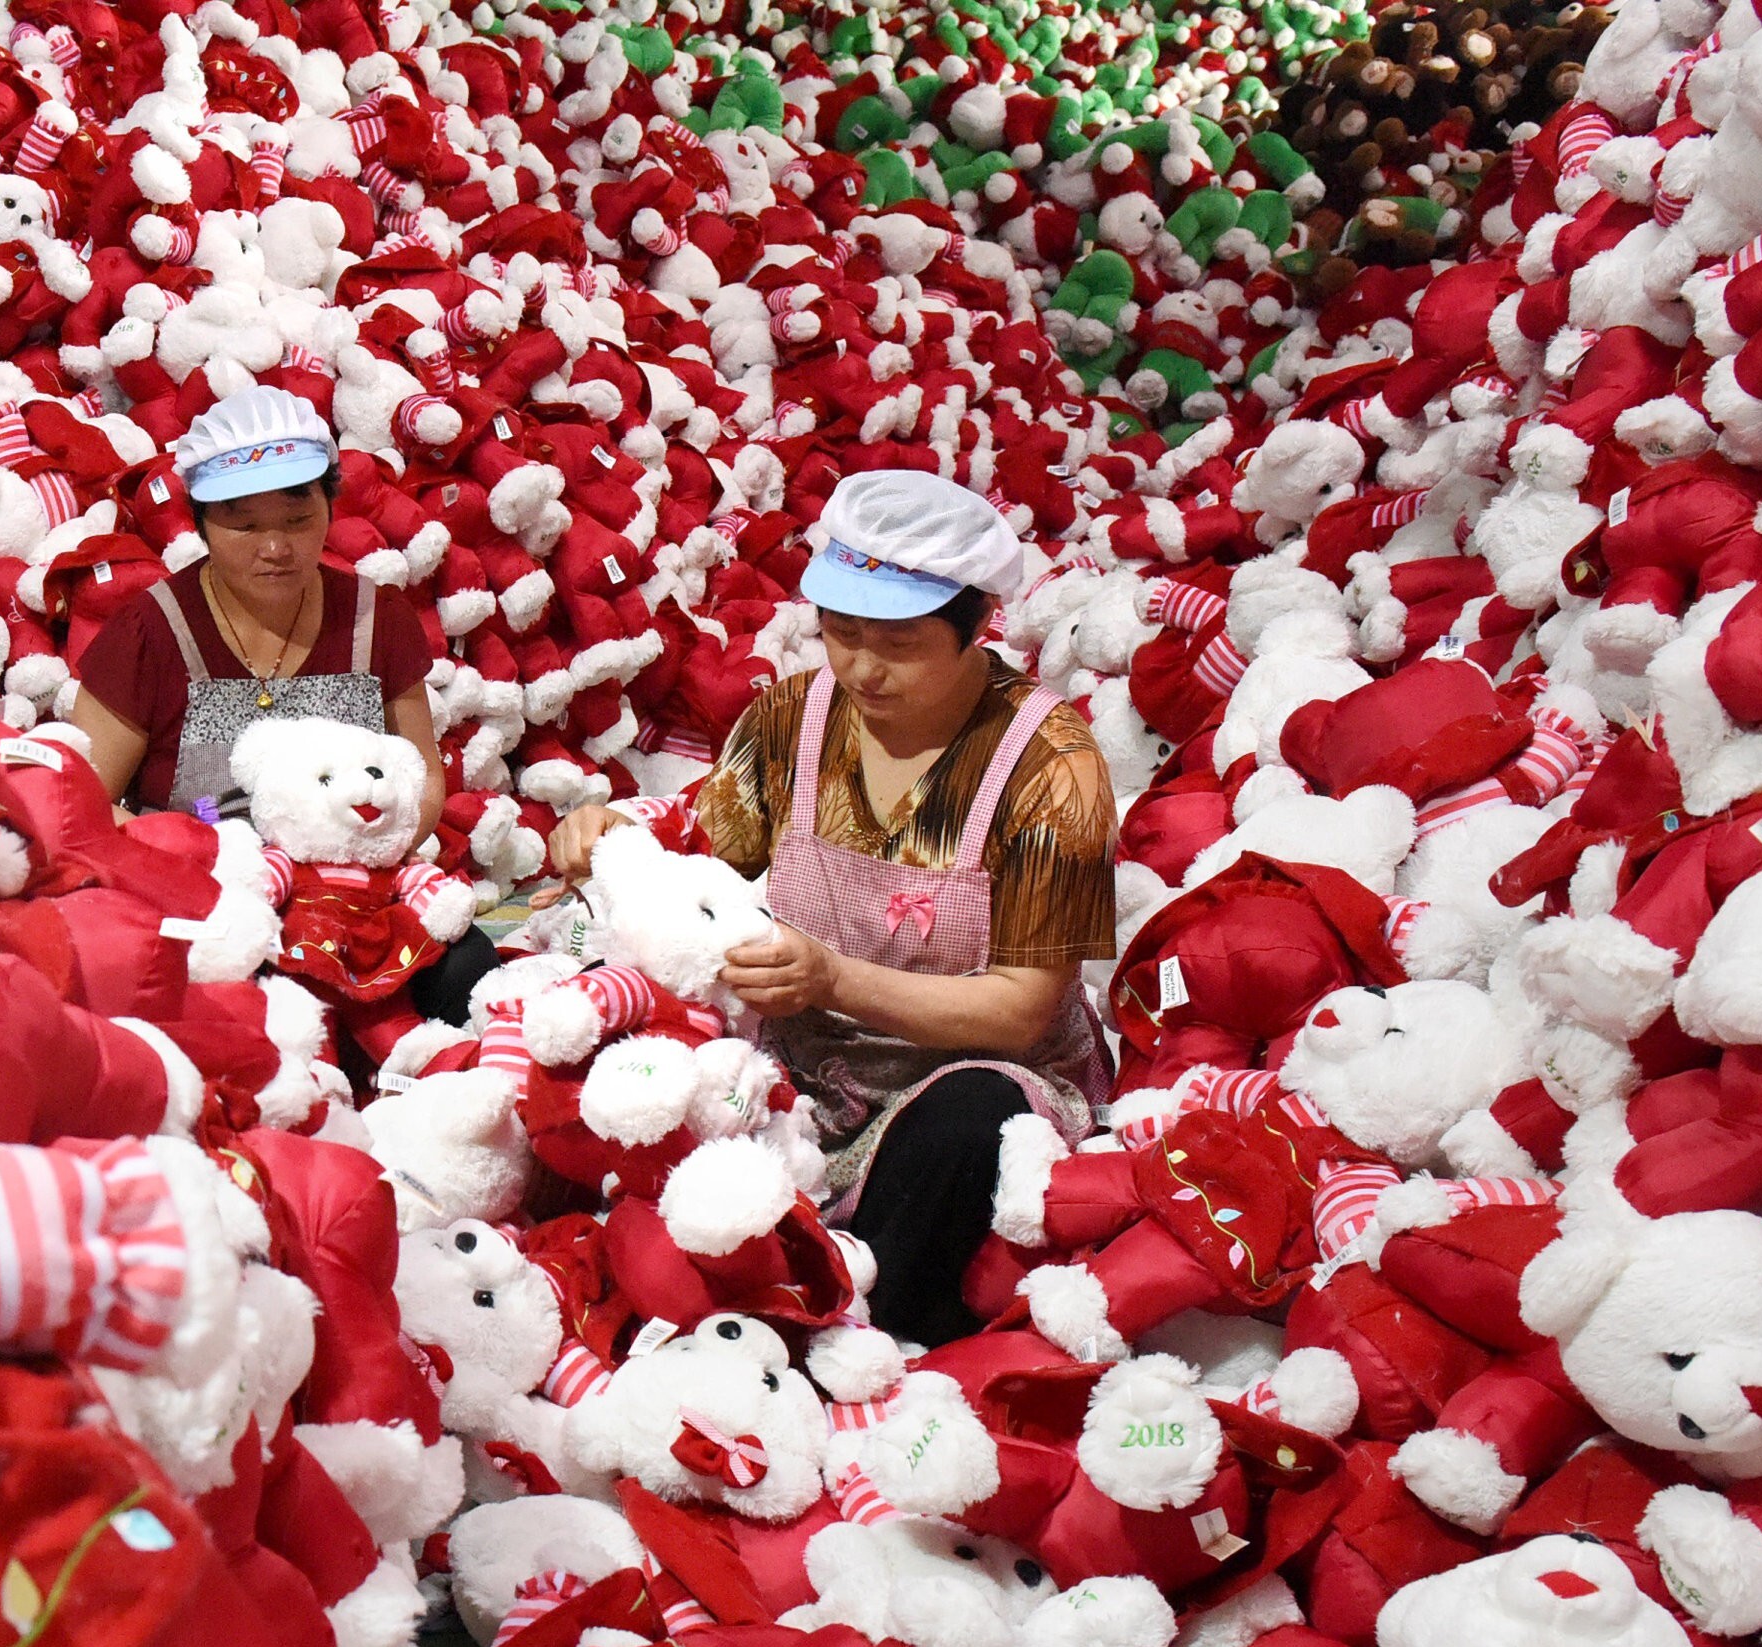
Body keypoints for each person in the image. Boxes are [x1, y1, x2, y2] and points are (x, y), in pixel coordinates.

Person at [545, 470, 1115, 1346]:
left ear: (976, 627)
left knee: (969, 1126)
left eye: (895, 642)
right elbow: (712, 851)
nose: (860, 668)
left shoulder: (1052, 769)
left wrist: (834, 979)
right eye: (839, 634)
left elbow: (1021, 1006)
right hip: (796, 1062)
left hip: (966, 1073)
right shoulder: (792, 718)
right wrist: (616, 833)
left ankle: (850, 1331)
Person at [72, 387, 499, 1019]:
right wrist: (206, 859)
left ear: (330, 507)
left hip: (355, 895)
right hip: (210, 901)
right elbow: (83, 802)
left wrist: (355, 856)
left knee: (466, 973)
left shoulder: (373, 620)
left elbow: (421, 776)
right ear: (199, 521)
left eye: (298, 521)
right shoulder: (153, 635)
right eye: (243, 526)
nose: (275, 548)